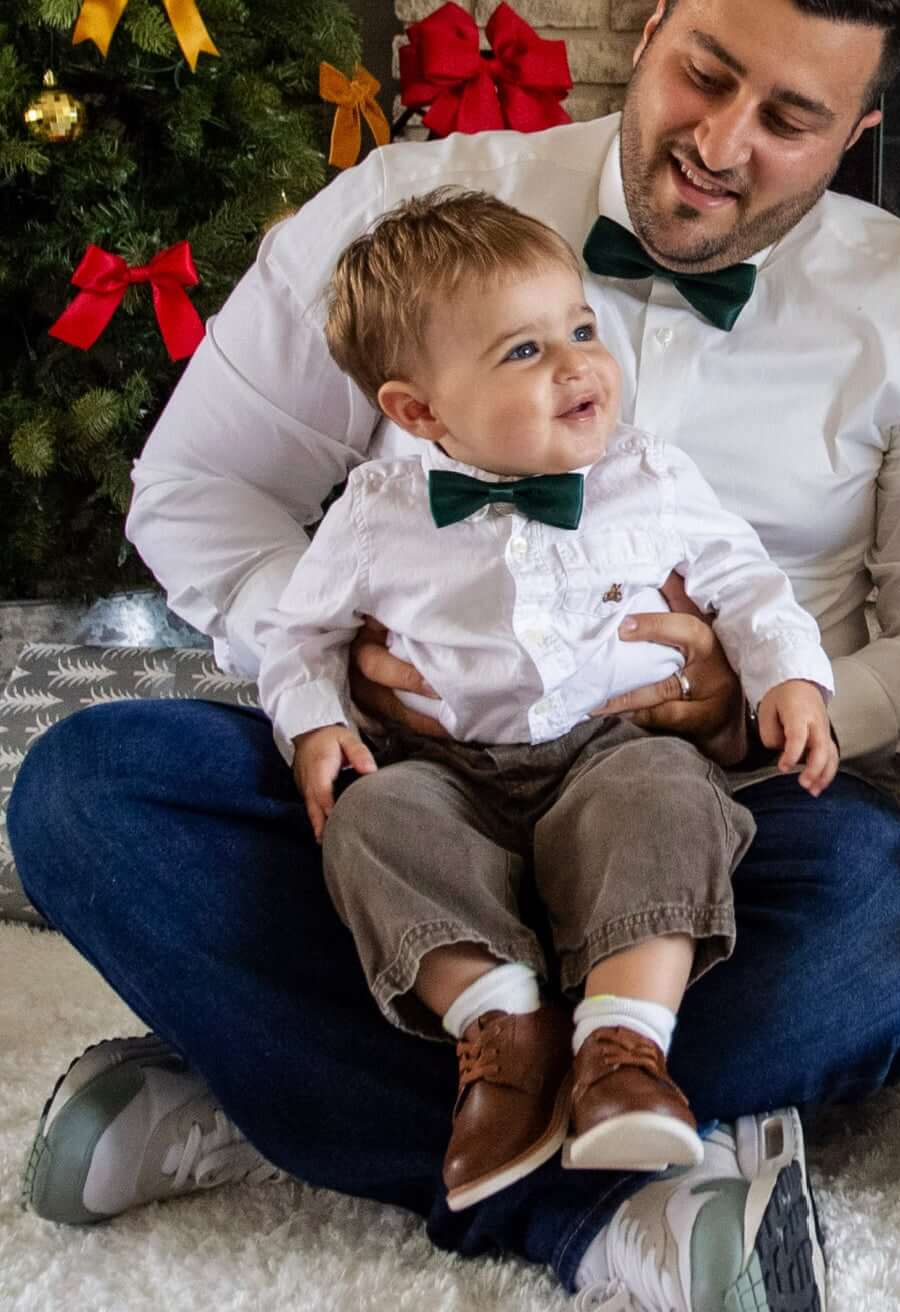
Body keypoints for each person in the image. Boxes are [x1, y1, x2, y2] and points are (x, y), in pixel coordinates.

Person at [12, 0, 900, 1312]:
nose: (722, 138)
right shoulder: (408, 214)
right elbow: (199, 487)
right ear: (647, 32)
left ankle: (275, 1100)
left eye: (789, 117)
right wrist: (327, 679)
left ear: (856, 132)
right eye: (705, 72)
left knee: (891, 934)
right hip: (407, 789)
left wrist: (753, 702)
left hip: (706, 824)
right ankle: (601, 1212)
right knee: (88, 793)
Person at [266, 189, 837, 1242]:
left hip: (608, 753)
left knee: (671, 798)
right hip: (446, 774)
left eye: (580, 328)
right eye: (524, 352)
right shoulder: (376, 513)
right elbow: (294, 635)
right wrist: (315, 719)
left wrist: (788, 678)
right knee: (370, 821)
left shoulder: (649, 474)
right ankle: (505, 1027)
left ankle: (624, 1050)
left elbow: (748, 586)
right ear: (419, 412)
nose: (578, 364)